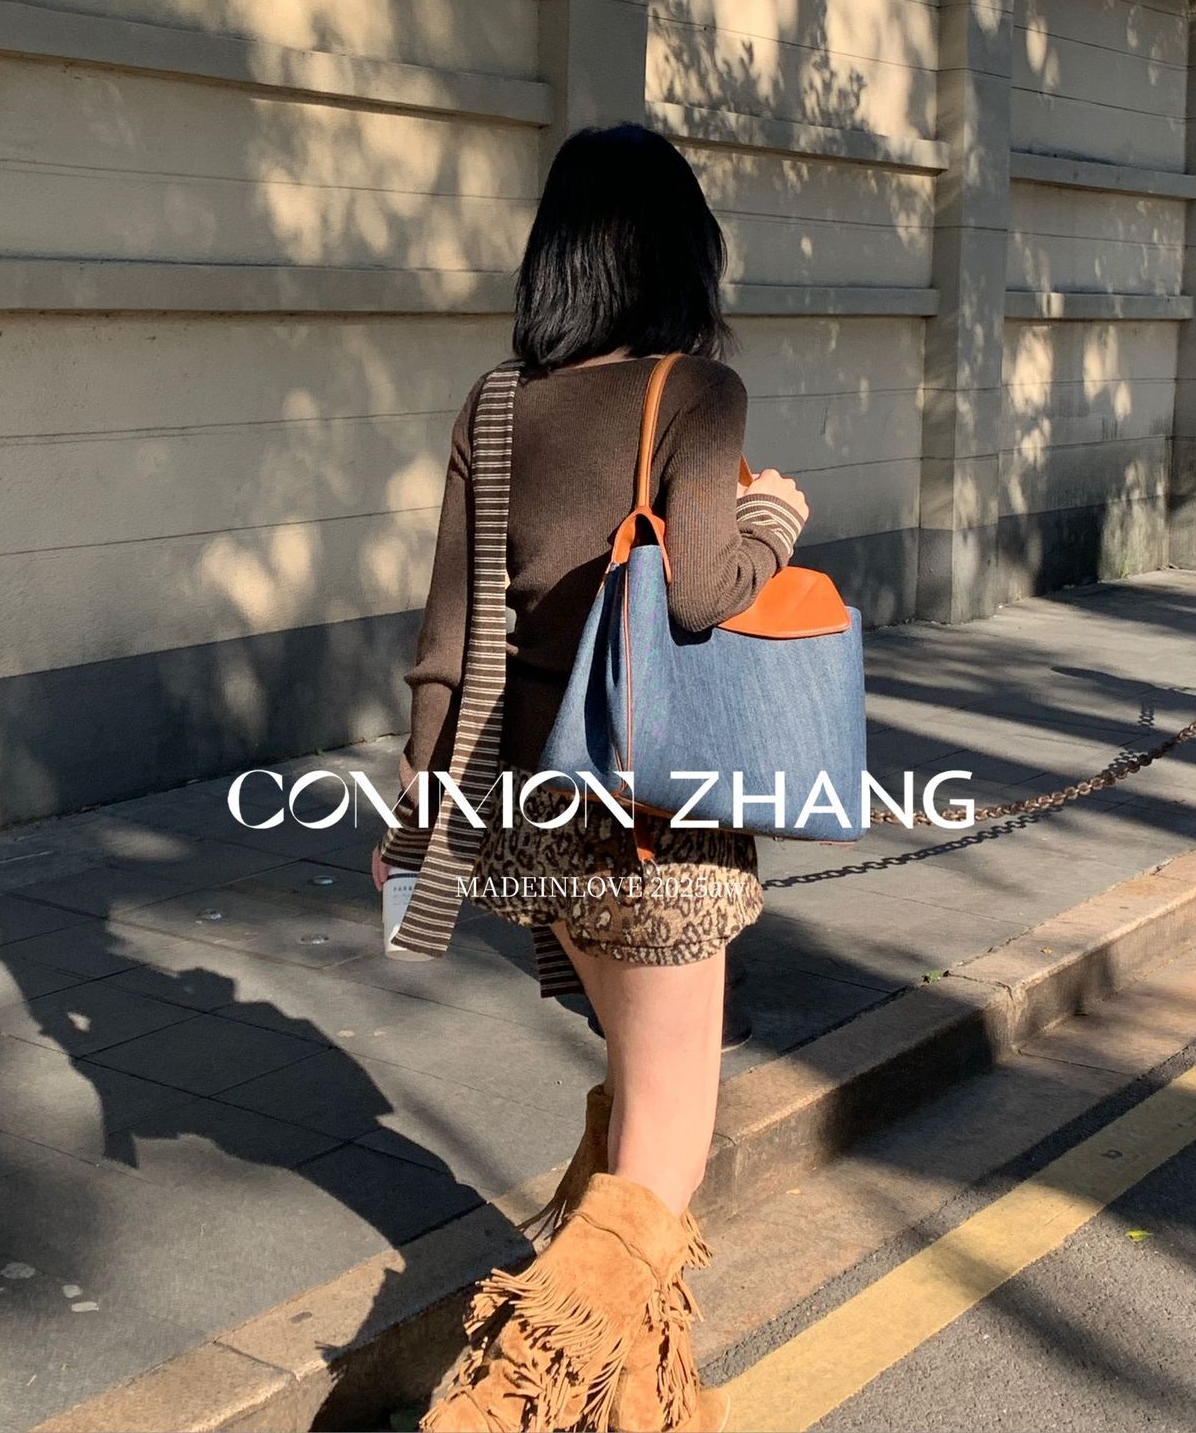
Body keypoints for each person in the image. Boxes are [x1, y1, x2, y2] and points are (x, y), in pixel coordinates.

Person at [374, 123, 808, 1432]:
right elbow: (701, 593)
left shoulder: (497, 404)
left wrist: (417, 810)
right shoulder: (698, 393)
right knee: (664, 1161)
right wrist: (772, 521)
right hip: (656, 826)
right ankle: (496, 1409)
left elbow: (449, 636)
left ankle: (641, 1406)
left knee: (635, 1114)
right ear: (680, 255)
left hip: (530, 821)